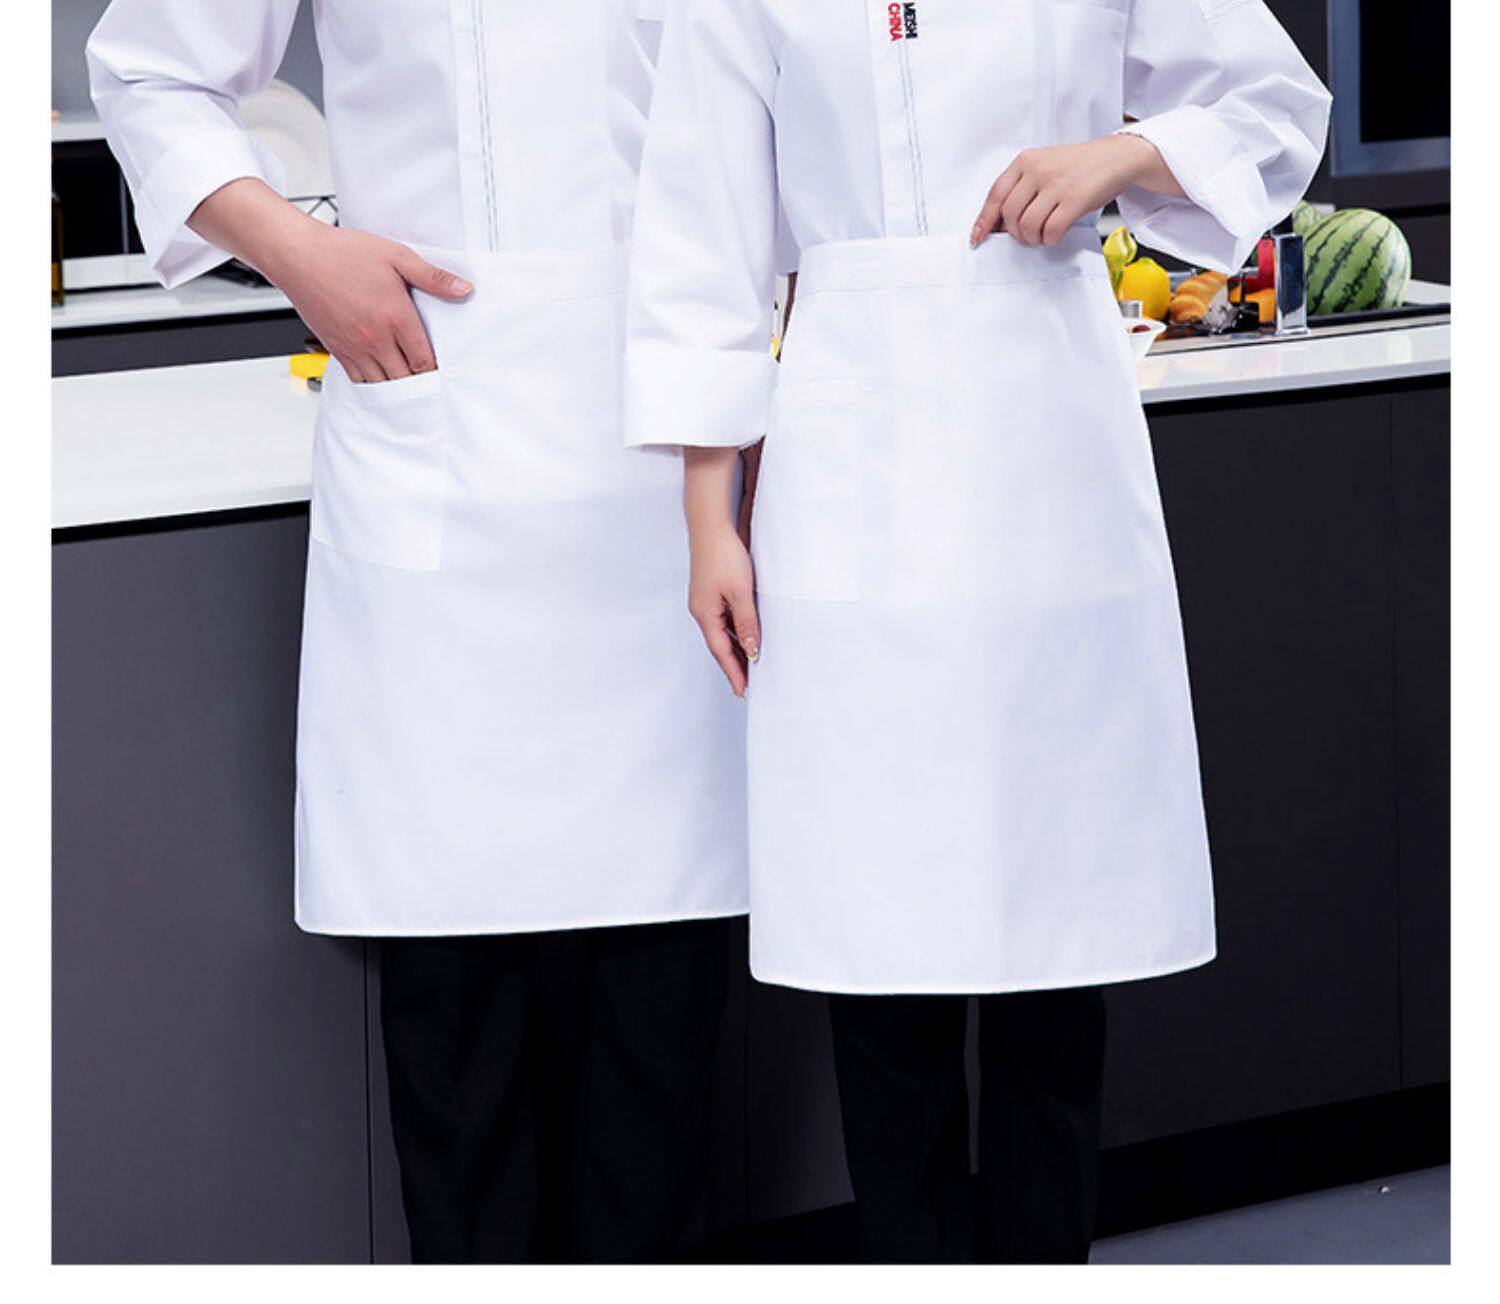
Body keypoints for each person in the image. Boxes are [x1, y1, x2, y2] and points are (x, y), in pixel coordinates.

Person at [625, 0, 1331, 1264]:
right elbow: (701, 226)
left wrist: (1119, 154)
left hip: (1045, 456)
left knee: (1054, 962)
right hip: (849, 466)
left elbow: (1278, 109)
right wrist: (706, 514)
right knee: (877, 955)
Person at [88, 0, 746, 1264]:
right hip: (440, 433)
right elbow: (148, 71)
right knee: (460, 1002)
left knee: (658, 1004)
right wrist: (303, 254)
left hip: (658, 464)